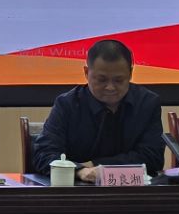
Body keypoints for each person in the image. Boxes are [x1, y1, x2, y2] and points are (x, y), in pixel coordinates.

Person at [31, 39, 163, 181]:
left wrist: (96, 165)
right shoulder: (67, 105)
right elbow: (44, 154)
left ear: (130, 73)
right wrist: (79, 171)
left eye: (118, 80)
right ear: (86, 72)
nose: (110, 87)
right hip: (78, 190)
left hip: (133, 191)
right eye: (101, 80)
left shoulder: (147, 103)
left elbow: (153, 157)